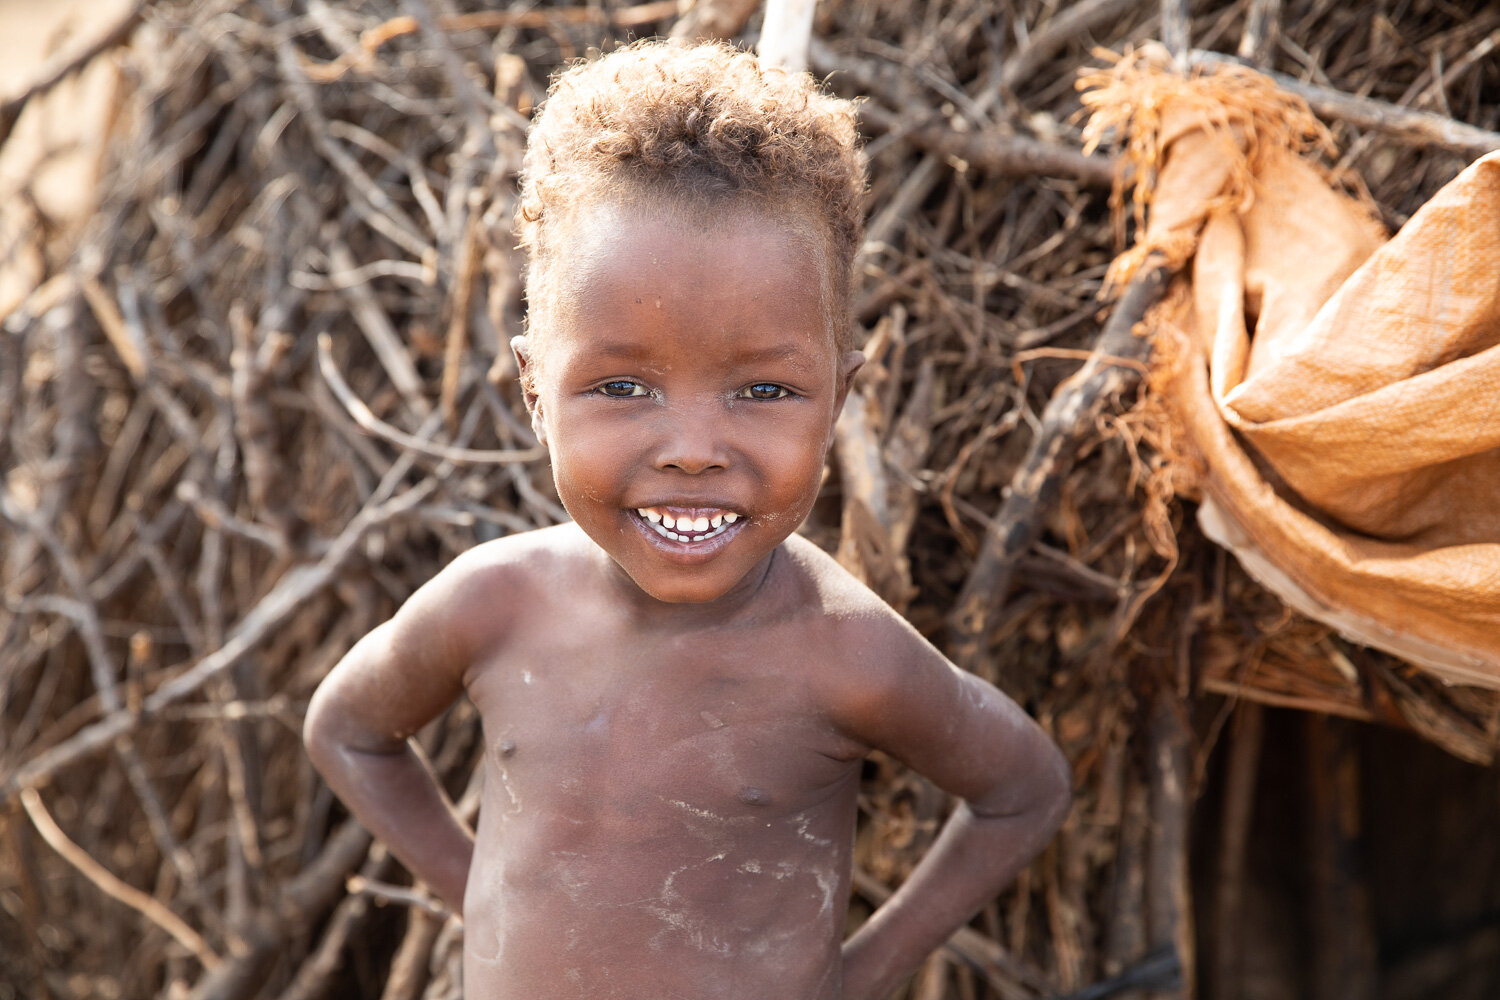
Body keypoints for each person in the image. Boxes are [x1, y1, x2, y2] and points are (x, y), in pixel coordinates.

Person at [303, 39, 1070, 1000]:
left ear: (839, 397)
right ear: (536, 389)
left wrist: (860, 974)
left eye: (763, 389)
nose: (693, 447)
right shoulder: (491, 607)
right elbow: (348, 730)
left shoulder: (848, 654)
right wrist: (484, 902)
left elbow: (1024, 788)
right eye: (623, 385)